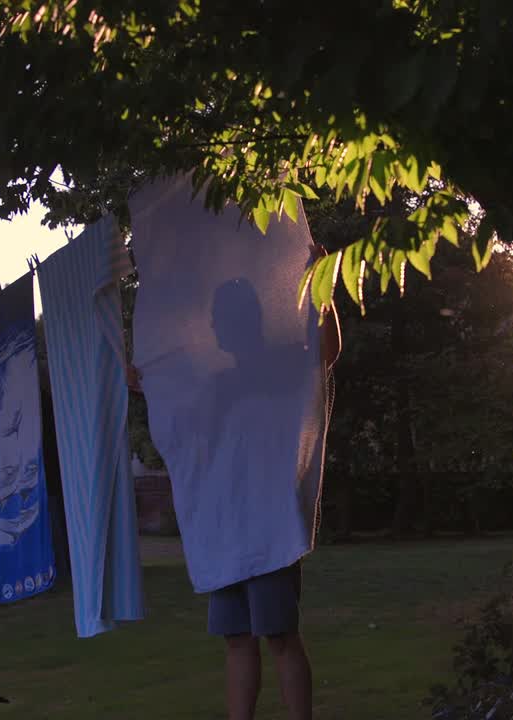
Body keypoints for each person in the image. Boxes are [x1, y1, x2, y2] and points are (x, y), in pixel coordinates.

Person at [127, 243, 341, 720]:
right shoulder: (220, 384)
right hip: (226, 528)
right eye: (217, 318)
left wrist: (322, 286)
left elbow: (327, 351)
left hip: (269, 524)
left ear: (248, 320)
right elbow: (186, 425)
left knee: (281, 636)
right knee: (237, 639)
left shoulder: (285, 365)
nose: (217, 326)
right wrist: (148, 386)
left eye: (225, 317)